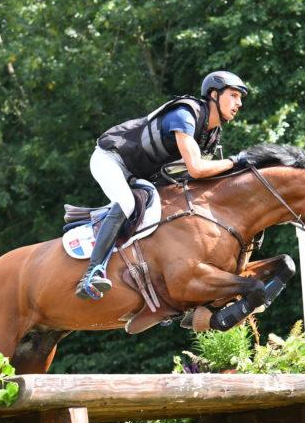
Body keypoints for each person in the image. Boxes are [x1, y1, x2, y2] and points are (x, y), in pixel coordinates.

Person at [75, 70, 253, 300]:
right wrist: (235, 161)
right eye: (233, 95)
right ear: (214, 95)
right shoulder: (186, 114)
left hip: (141, 174)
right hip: (110, 159)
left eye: (240, 98)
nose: (239, 103)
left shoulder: (211, 133)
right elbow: (197, 169)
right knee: (127, 203)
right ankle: (91, 274)